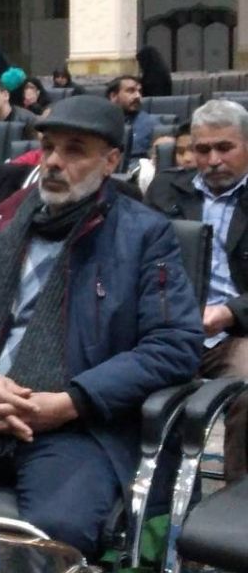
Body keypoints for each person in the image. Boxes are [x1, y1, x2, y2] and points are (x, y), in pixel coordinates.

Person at [0, 95, 203, 558]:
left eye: (74, 150)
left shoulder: (144, 234)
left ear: (111, 161)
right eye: (48, 147)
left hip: (80, 427)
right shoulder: (3, 222)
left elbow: (174, 345)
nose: (53, 161)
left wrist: (72, 401)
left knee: (54, 536)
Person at [145, 99, 248, 482]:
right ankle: (151, 494)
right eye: (202, 149)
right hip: (169, 327)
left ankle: (237, 500)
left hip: (235, 331)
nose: (213, 160)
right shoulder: (166, 188)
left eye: (225, 148)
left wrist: (231, 312)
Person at [107, 75, 155, 161]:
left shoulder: (150, 122)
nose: (138, 96)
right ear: (113, 96)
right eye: (130, 91)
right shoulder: (99, 122)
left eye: (139, 91)